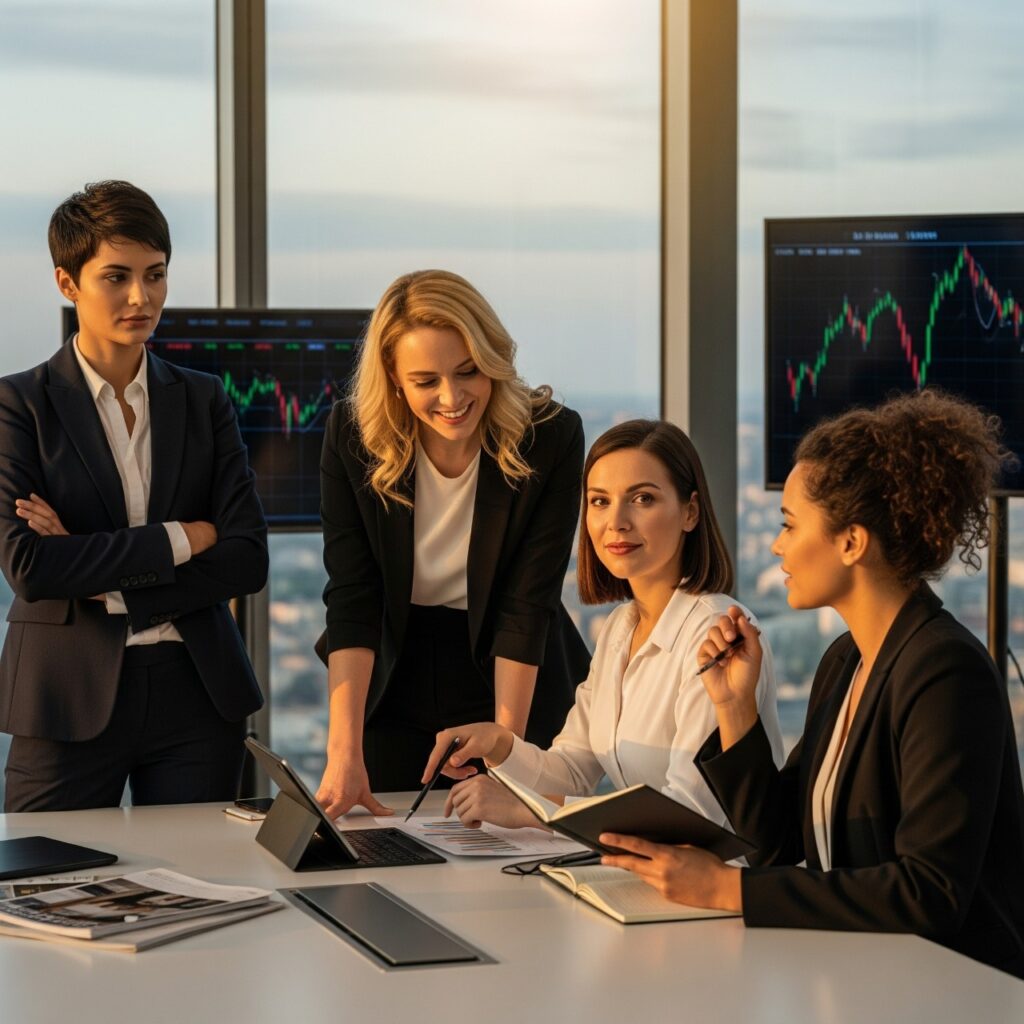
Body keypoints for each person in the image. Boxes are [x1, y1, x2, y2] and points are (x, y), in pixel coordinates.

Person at [599, 391, 1024, 979]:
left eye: (789, 525)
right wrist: (734, 706)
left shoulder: (946, 670)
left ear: (851, 542)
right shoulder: (845, 660)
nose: (776, 545)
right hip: (865, 977)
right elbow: (776, 842)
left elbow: (930, 891)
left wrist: (729, 892)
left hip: (955, 990)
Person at [0, 180, 268, 811]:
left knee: (202, 891)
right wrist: (182, 538)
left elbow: (246, 558)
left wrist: (101, 573)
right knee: (39, 886)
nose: (140, 297)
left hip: (199, 695)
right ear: (68, 283)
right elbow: (32, 567)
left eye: (155, 274)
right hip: (65, 695)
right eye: (116, 277)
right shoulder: (19, 405)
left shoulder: (203, 399)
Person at [315, 269, 590, 814]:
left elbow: (525, 604)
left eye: (469, 372)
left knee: (515, 860)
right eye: (425, 381)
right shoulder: (354, 435)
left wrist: (507, 757)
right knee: (385, 846)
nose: (452, 397)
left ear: (494, 359)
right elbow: (353, 598)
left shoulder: (550, 435)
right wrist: (342, 753)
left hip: (514, 669)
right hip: (398, 671)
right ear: (393, 378)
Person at [422, 419, 784, 829]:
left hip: (720, 880)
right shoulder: (620, 627)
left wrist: (537, 815)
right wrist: (501, 745)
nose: (617, 521)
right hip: (650, 877)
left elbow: (690, 812)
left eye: (643, 499)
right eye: (599, 501)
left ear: (690, 511)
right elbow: (575, 769)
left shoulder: (715, 632)